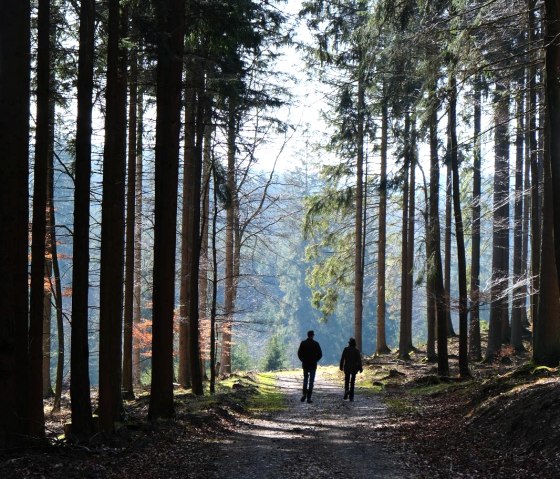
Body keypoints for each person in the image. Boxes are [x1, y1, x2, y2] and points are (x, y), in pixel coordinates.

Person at [297, 330, 322, 403]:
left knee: (305, 380)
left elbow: (299, 353)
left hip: (305, 364)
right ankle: (309, 398)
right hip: (313, 365)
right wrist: (315, 360)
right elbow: (320, 354)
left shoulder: (303, 343)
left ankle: (304, 394)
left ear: (307, 335)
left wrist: (302, 360)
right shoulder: (316, 344)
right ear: (313, 335)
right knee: (311, 382)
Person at [339, 337, 363, 401]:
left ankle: (346, 390)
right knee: (352, 382)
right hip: (354, 368)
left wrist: (341, 366)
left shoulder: (346, 349)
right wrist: (360, 368)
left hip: (347, 367)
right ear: (355, 344)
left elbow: (342, 358)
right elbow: (359, 360)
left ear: (349, 343)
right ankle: (351, 397)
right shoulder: (356, 351)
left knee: (347, 380)